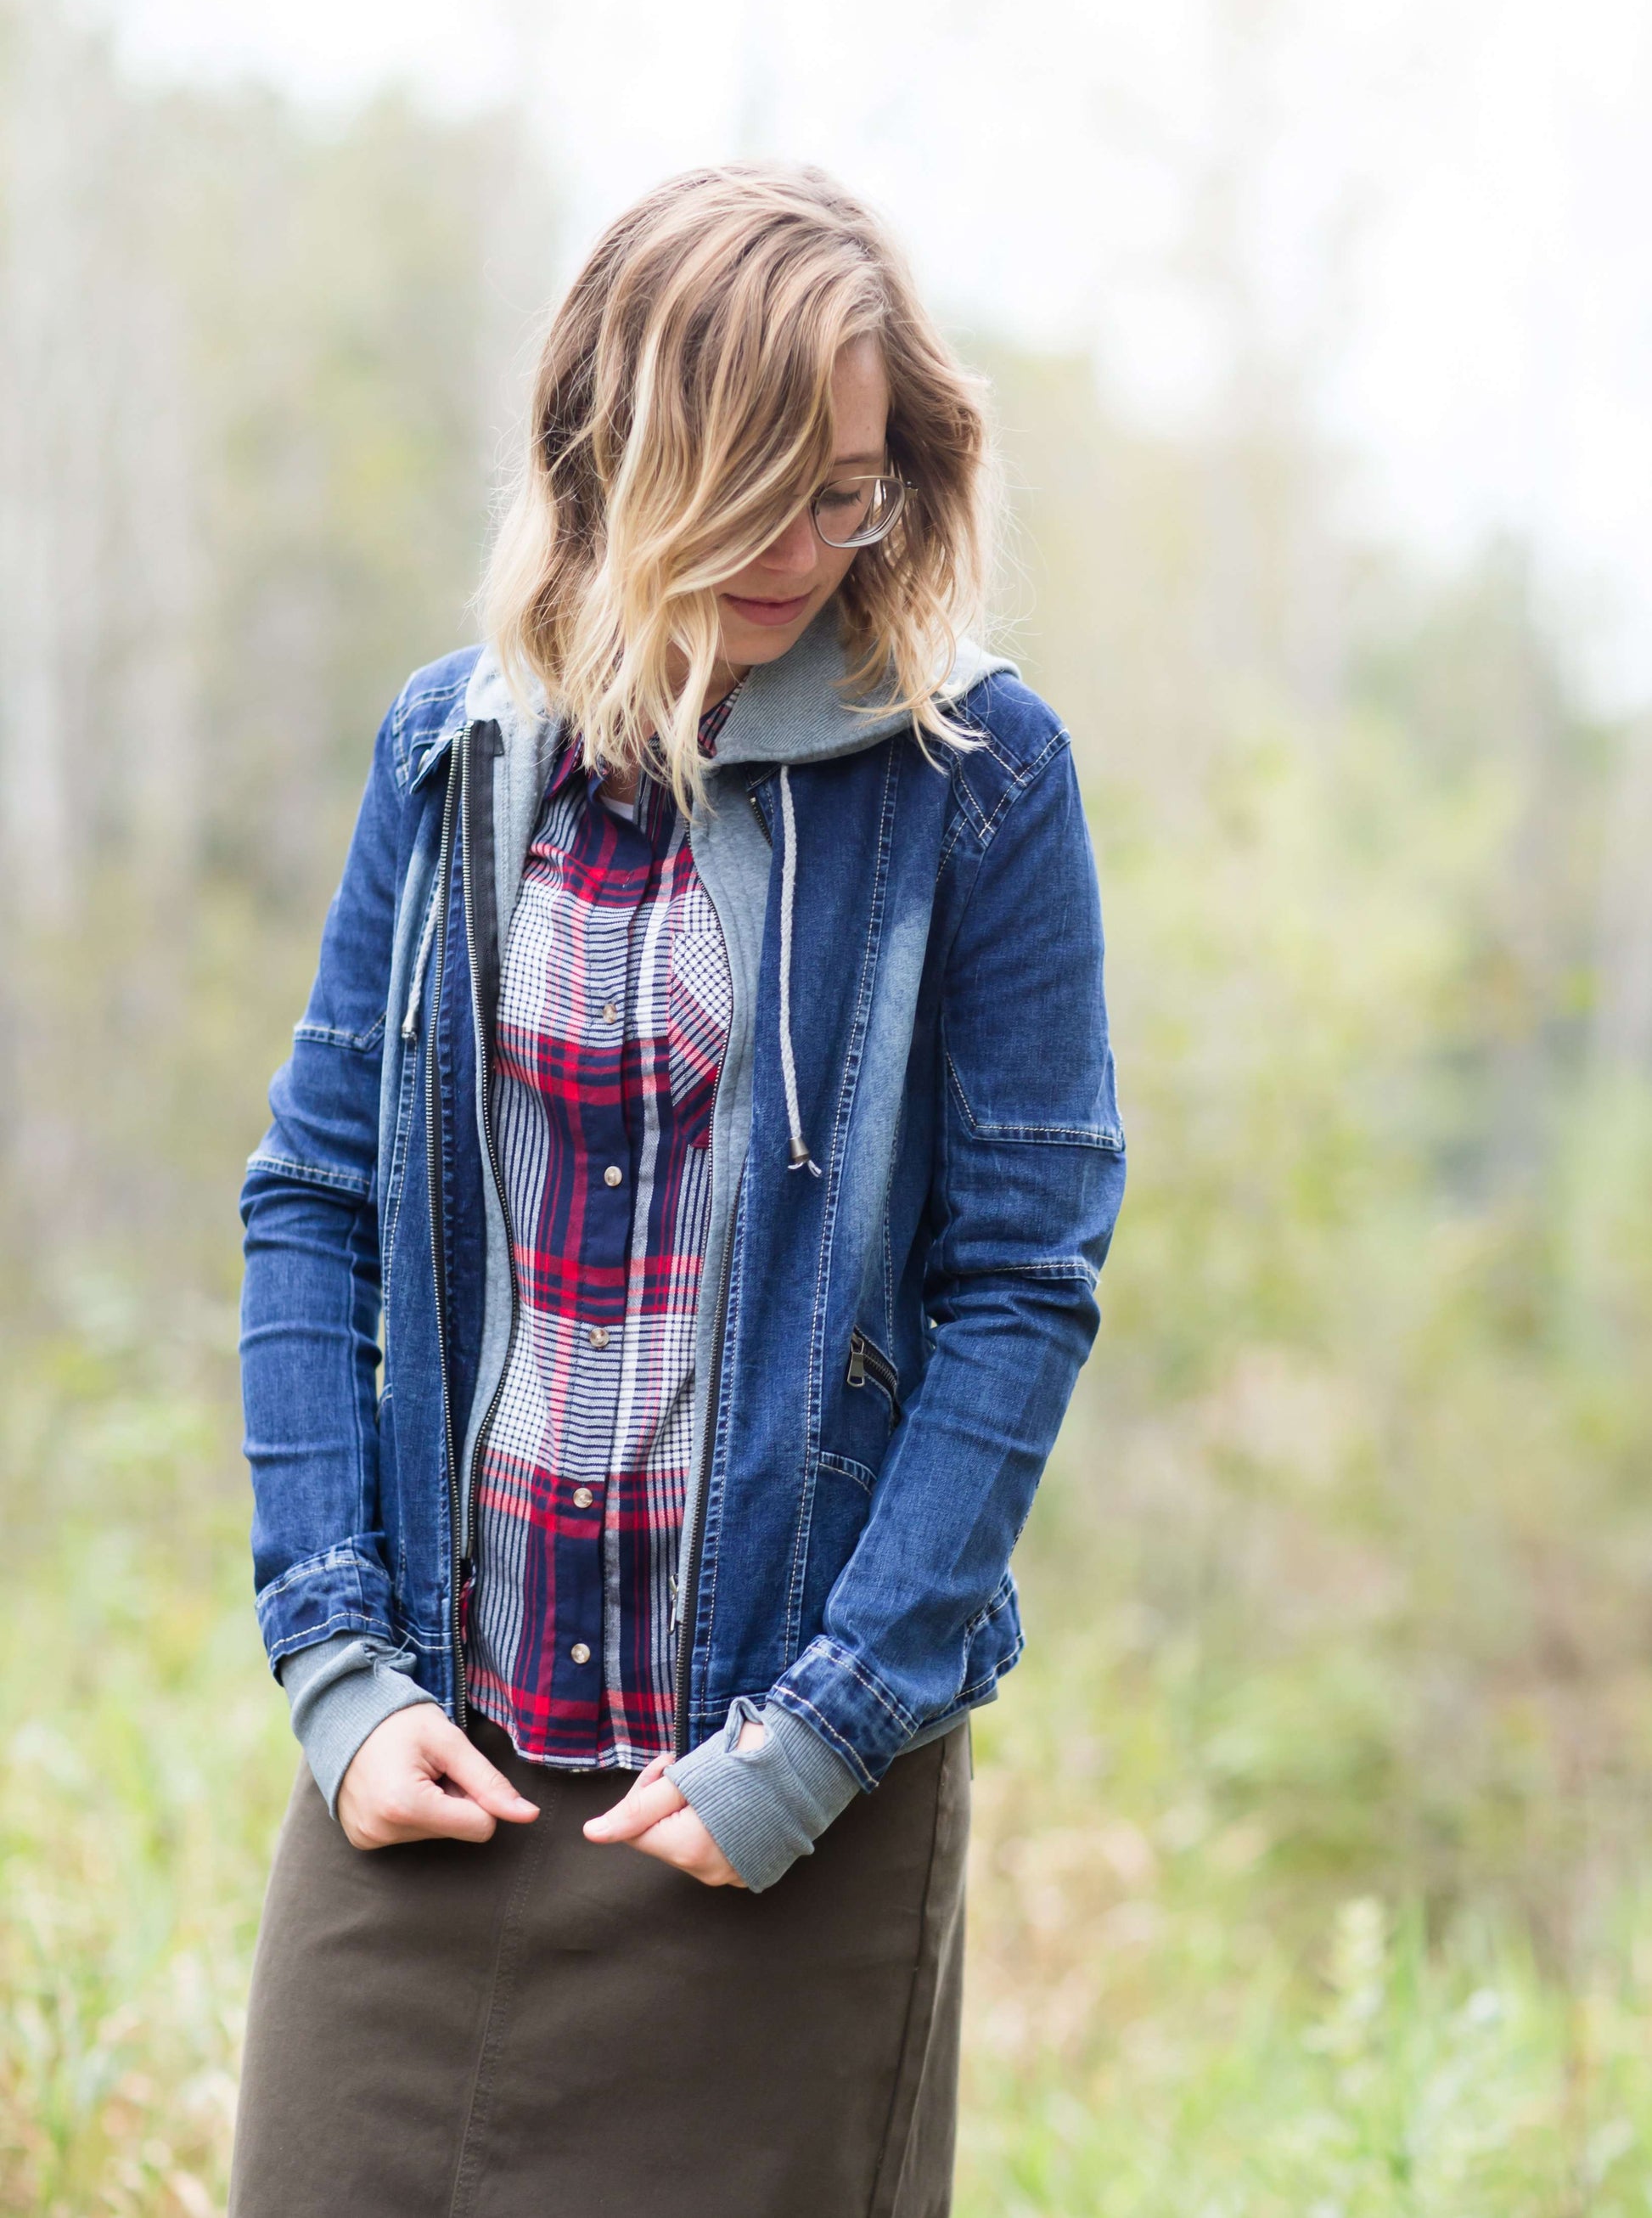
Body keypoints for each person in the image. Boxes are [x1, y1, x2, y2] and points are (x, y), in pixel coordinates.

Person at [228, 160, 1125, 2218]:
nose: (807, 549)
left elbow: (1021, 1285)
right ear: (609, 452)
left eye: (851, 491)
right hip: (427, 1783)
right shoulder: (448, 754)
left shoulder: (975, 785)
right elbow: (313, 1208)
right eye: (755, 493)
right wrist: (340, 1674)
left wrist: (812, 1741)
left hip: (765, 1825)